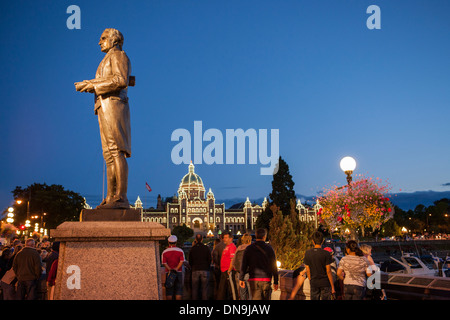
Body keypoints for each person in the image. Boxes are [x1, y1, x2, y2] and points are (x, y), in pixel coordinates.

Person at [75, 28, 132, 209]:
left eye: (103, 38)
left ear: (114, 40)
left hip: (114, 104)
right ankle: (110, 197)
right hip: (103, 105)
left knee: (117, 150)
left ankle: (120, 197)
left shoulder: (119, 56)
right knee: (108, 155)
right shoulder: (106, 59)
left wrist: (91, 84)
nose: (100, 42)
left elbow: (120, 80)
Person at [239, 228, 278, 300]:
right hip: (266, 279)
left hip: (254, 280)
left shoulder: (249, 249)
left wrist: (241, 278)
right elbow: (274, 266)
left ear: (256, 236)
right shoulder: (269, 248)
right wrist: (276, 281)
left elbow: (244, 264)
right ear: (264, 236)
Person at [303, 231, 335, 300]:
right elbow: (328, 271)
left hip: (314, 282)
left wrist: (311, 280)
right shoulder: (326, 253)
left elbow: (308, 270)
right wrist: (332, 286)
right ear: (322, 241)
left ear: (312, 241)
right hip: (325, 283)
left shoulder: (308, 253)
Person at [188, 233, 211, 300]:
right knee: (205, 289)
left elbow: (190, 260)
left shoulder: (192, 249)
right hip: (205, 270)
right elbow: (209, 259)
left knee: (194, 289)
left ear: (195, 239)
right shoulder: (206, 248)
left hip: (195, 270)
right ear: (202, 239)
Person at [161, 235, 185, 300]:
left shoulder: (164, 252)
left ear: (168, 242)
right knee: (178, 290)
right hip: (178, 272)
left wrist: (170, 269)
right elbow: (182, 261)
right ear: (176, 242)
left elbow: (164, 263)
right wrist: (176, 268)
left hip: (169, 273)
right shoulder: (180, 251)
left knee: (169, 291)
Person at [231, 233, 252, 300]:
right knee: (251, 294)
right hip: (249, 273)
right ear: (249, 241)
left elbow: (233, 262)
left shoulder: (238, 249)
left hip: (240, 274)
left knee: (243, 294)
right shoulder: (250, 248)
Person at [217, 231, 237, 300]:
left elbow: (233, 260)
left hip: (228, 272)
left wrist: (229, 270)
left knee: (231, 290)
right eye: (223, 238)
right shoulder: (227, 247)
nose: (224, 239)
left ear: (231, 238)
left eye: (226, 238)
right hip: (224, 271)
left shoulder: (232, 247)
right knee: (222, 290)